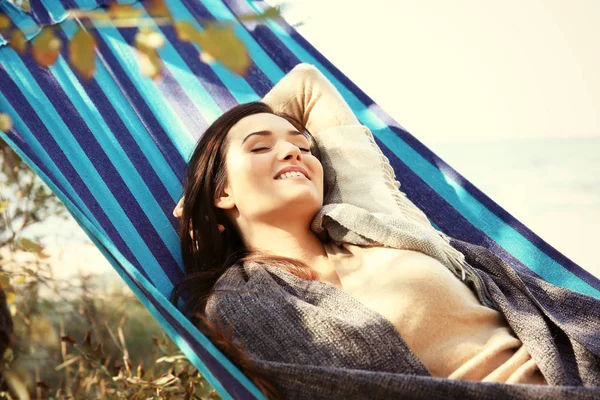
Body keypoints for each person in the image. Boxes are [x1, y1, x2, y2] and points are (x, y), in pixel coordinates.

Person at [170, 64, 596, 399]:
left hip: (574, 374)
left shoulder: (369, 215)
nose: (292, 151)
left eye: (304, 147)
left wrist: (199, 197)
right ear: (223, 191)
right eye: (261, 147)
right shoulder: (239, 303)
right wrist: (206, 185)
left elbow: (307, 84)